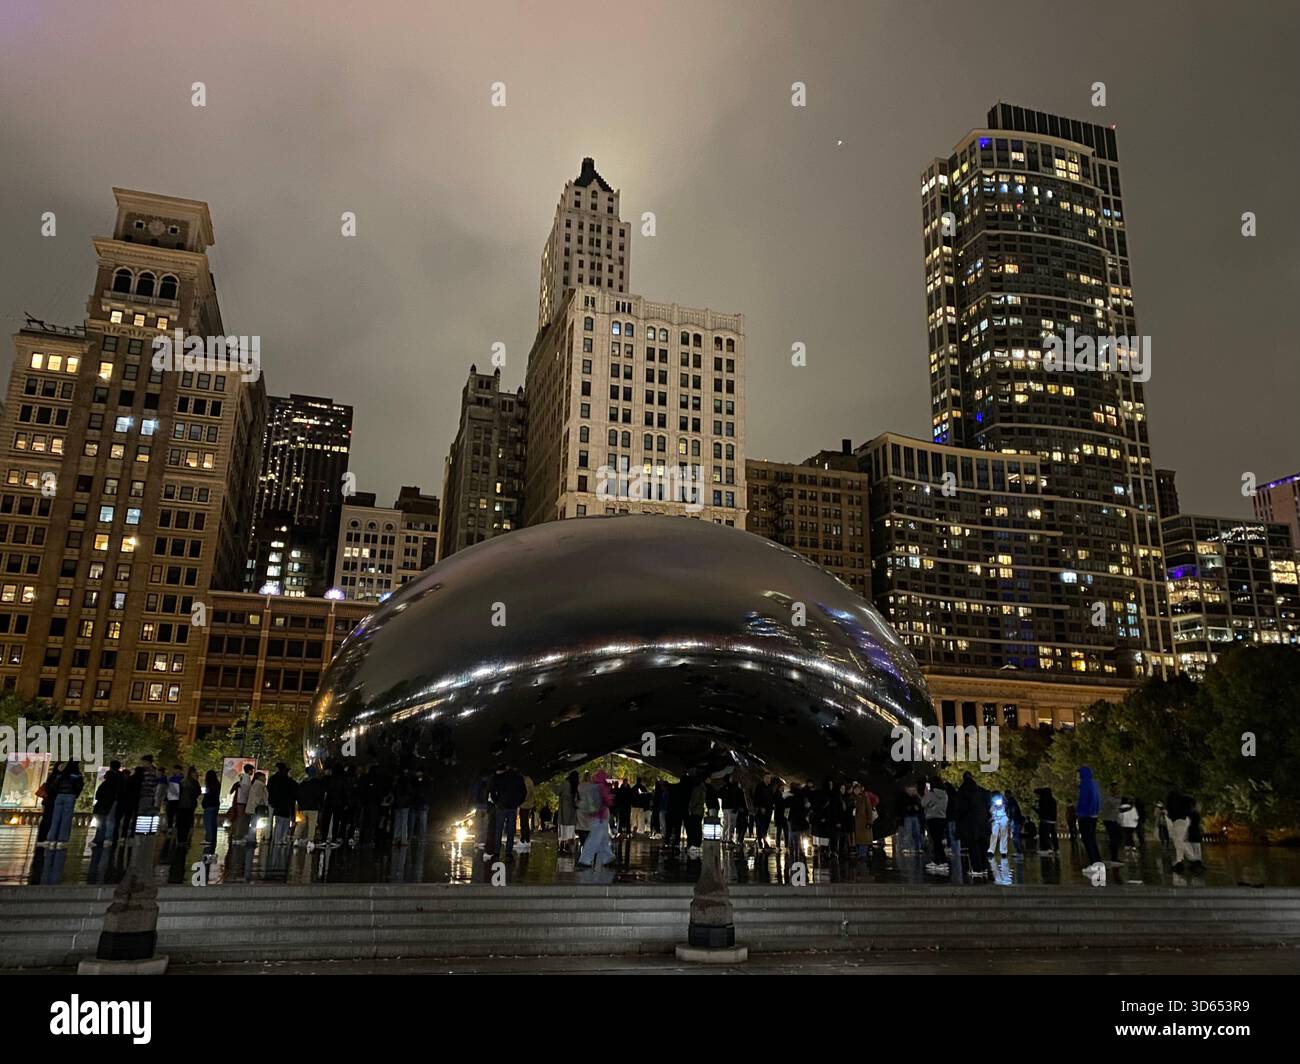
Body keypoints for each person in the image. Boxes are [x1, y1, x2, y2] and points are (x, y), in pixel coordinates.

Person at [576, 769, 615, 868]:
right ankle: (588, 859)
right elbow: (607, 801)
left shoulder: (593, 788)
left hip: (596, 817)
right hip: (602, 816)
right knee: (598, 839)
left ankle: (606, 858)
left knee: (599, 839)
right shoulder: (602, 788)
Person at [955, 772, 991, 878]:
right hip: (983, 821)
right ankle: (984, 866)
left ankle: (977, 868)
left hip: (970, 823)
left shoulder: (963, 792)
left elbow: (960, 809)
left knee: (973, 846)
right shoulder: (981, 791)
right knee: (982, 845)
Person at [489, 764, 527, 857]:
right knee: (510, 830)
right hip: (512, 807)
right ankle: (508, 852)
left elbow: (492, 790)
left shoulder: (499, 777)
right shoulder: (519, 778)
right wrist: (518, 803)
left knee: (499, 830)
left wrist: (497, 802)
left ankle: (497, 851)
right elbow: (524, 792)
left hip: (501, 806)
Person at [45, 759, 84, 849]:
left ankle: (52, 838)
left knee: (56, 817)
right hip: (70, 796)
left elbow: (55, 784)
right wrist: (76, 794)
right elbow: (80, 785)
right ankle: (62, 840)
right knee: (66, 818)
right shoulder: (77, 774)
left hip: (59, 796)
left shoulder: (62, 773)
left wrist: (57, 792)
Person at [1076, 765, 1103, 883]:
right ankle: (1098, 864)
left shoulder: (1084, 785)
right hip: (1093, 816)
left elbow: (1083, 801)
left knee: (1088, 841)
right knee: (1092, 841)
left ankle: (1094, 865)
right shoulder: (1094, 784)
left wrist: (1080, 814)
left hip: (1086, 816)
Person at [92, 760, 123, 847]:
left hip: (104, 802)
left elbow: (98, 794)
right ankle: (108, 838)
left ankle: (99, 838)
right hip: (114, 800)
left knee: (102, 820)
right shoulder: (120, 778)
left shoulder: (106, 783)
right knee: (110, 820)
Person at [922, 776, 948, 873]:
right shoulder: (945, 795)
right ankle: (937, 860)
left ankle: (942, 861)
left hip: (932, 818)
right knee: (938, 839)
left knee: (935, 840)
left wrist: (925, 794)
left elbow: (923, 803)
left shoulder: (931, 794)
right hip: (942, 818)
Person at [267, 763, 297, 846]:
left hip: (277, 804)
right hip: (287, 804)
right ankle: (282, 838)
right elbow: (294, 792)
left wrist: (271, 801)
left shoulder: (274, 779)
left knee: (279, 822)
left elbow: (269, 790)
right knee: (284, 822)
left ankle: (275, 838)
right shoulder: (289, 781)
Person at [35, 761, 63, 845]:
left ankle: (43, 837)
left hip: (50, 801)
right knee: (48, 820)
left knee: (48, 819)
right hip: (51, 801)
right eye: (61, 767)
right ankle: (44, 837)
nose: (62, 769)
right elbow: (51, 789)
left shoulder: (54, 777)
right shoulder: (56, 777)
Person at [295, 766, 323, 848]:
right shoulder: (317, 783)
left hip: (302, 807)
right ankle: (310, 841)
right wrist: (320, 805)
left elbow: (298, 794)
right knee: (312, 824)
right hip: (313, 807)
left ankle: (296, 839)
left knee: (300, 824)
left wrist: (299, 804)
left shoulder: (303, 783)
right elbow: (319, 795)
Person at [230, 763, 255, 844]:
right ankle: (238, 837)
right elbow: (246, 790)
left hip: (240, 801)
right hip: (243, 801)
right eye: (252, 770)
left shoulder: (243, 777)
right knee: (241, 819)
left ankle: (237, 836)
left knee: (240, 819)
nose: (252, 772)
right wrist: (249, 798)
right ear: (249, 770)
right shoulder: (246, 778)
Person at [1100, 780, 1123, 865]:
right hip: (1110, 820)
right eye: (1116, 788)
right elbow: (1111, 804)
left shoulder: (1116, 798)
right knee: (1114, 838)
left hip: (1115, 820)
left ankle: (1114, 855)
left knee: (1118, 837)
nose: (1118, 790)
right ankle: (1113, 856)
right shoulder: (1108, 798)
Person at [177, 766, 201, 847]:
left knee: (181, 822)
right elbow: (198, 792)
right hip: (190, 804)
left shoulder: (182, 782)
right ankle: (183, 839)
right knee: (186, 822)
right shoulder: (194, 782)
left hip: (181, 805)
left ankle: (180, 839)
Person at [245, 770, 270, 846]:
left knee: (253, 823)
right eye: (263, 777)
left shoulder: (255, 784)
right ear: (260, 777)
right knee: (254, 823)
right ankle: (251, 839)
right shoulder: (260, 785)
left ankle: (251, 838)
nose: (265, 778)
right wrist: (261, 803)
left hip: (253, 807)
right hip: (256, 807)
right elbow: (259, 797)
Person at [557, 771, 579, 855]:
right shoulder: (576, 786)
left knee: (563, 831)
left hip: (563, 813)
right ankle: (570, 849)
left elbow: (557, 791)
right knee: (570, 832)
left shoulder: (565, 784)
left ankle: (562, 847)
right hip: (572, 813)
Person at [1034, 786, 1059, 855]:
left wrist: (1035, 809)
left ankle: (1046, 849)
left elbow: (1042, 810)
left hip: (1045, 820)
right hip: (1053, 820)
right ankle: (1056, 848)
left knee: (1044, 835)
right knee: (1054, 835)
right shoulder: (1053, 800)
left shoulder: (1043, 800)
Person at [201, 769, 221, 854]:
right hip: (215, 805)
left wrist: (204, 802)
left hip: (209, 805)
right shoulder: (217, 784)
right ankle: (213, 839)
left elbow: (208, 796)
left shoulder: (209, 785)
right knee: (213, 823)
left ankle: (208, 839)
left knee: (208, 822)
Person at [988, 791, 1010, 859]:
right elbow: (989, 810)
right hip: (994, 818)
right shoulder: (990, 801)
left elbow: (1007, 807)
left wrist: (1003, 803)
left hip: (1003, 817)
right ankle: (991, 850)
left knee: (1004, 834)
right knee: (994, 834)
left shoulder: (1003, 800)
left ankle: (1003, 851)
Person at [518, 773, 535, 850]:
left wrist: (521, 800)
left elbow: (527, 792)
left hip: (524, 804)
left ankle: (523, 839)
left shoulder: (526, 781)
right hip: (528, 804)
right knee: (525, 822)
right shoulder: (529, 780)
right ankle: (526, 839)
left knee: (523, 822)